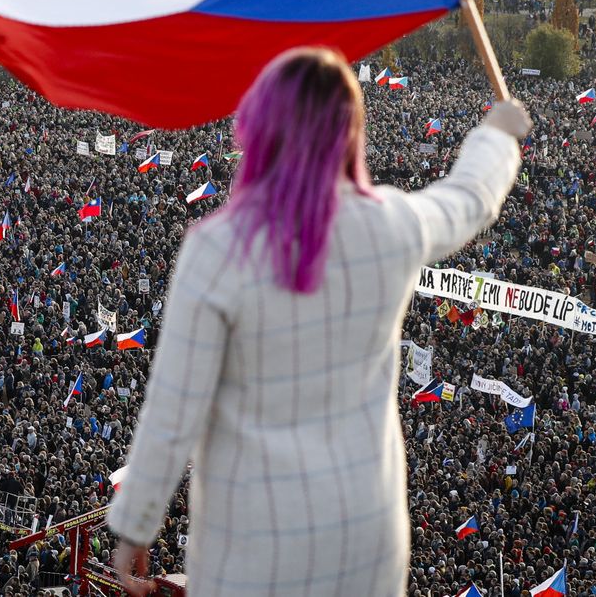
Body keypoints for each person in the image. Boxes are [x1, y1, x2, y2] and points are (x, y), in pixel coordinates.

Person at [108, 46, 532, 597]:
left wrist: (137, 522)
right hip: (365, 537)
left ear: (260, 127)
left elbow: (174, 407)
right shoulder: (392, 225)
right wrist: (497, 136)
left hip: (250, 543)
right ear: (350, 132)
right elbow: (468, 200)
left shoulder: (218, 248)